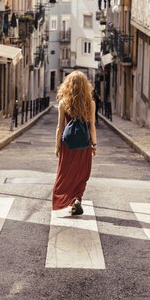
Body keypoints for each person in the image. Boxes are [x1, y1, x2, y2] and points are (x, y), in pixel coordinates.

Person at [53, 71, 97, 215]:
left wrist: (57, 146)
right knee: (82, 174)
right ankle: (77, 199)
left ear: (68, 85)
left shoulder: (63, 103)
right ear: (85, 86)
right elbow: (92, 127)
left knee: (65, 175)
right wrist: (94, 145)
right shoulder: (90, 104)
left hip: (68, 146)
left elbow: (60, 127)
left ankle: (71, 201)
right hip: (84, 145)